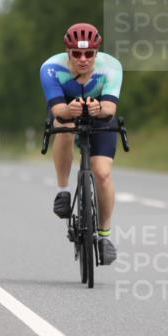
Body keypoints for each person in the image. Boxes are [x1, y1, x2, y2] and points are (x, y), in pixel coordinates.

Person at [40, 23, 124, 264]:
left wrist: (98, 108)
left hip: (100, 115)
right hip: (66, 110)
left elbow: (110, 109)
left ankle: (105, 236)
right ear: (68, 52)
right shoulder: (51, 68)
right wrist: (69, 109)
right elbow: (58, 109)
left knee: (102, 172)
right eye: (77, 53)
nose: (83, 59)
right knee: (64, 128)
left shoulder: (111, 68)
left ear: (97, 53)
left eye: (89, 54)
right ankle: (63, 191)